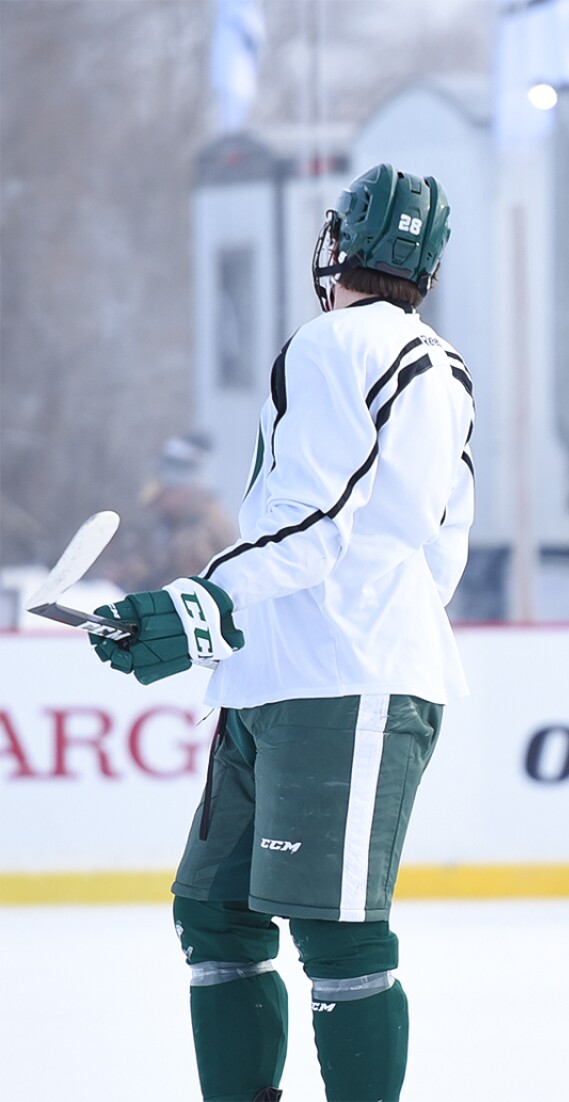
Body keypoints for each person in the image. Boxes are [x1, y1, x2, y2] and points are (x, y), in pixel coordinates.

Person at [90, 162, 473, 1102]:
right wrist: (238, 621)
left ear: (341, 246)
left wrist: (204, 601)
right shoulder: (442, 363)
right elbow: (442, 547)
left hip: (337, 682)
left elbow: (313, 519)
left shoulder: (333, 342)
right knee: (214, 912)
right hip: (296, 672)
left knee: (338, 935)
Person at [109, 432, 239, 593]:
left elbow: (184, 593)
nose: (159, 503)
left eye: (166, 492)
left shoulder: (203, 531)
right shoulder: (177, 524)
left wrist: (140, 581)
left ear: (186, 490)